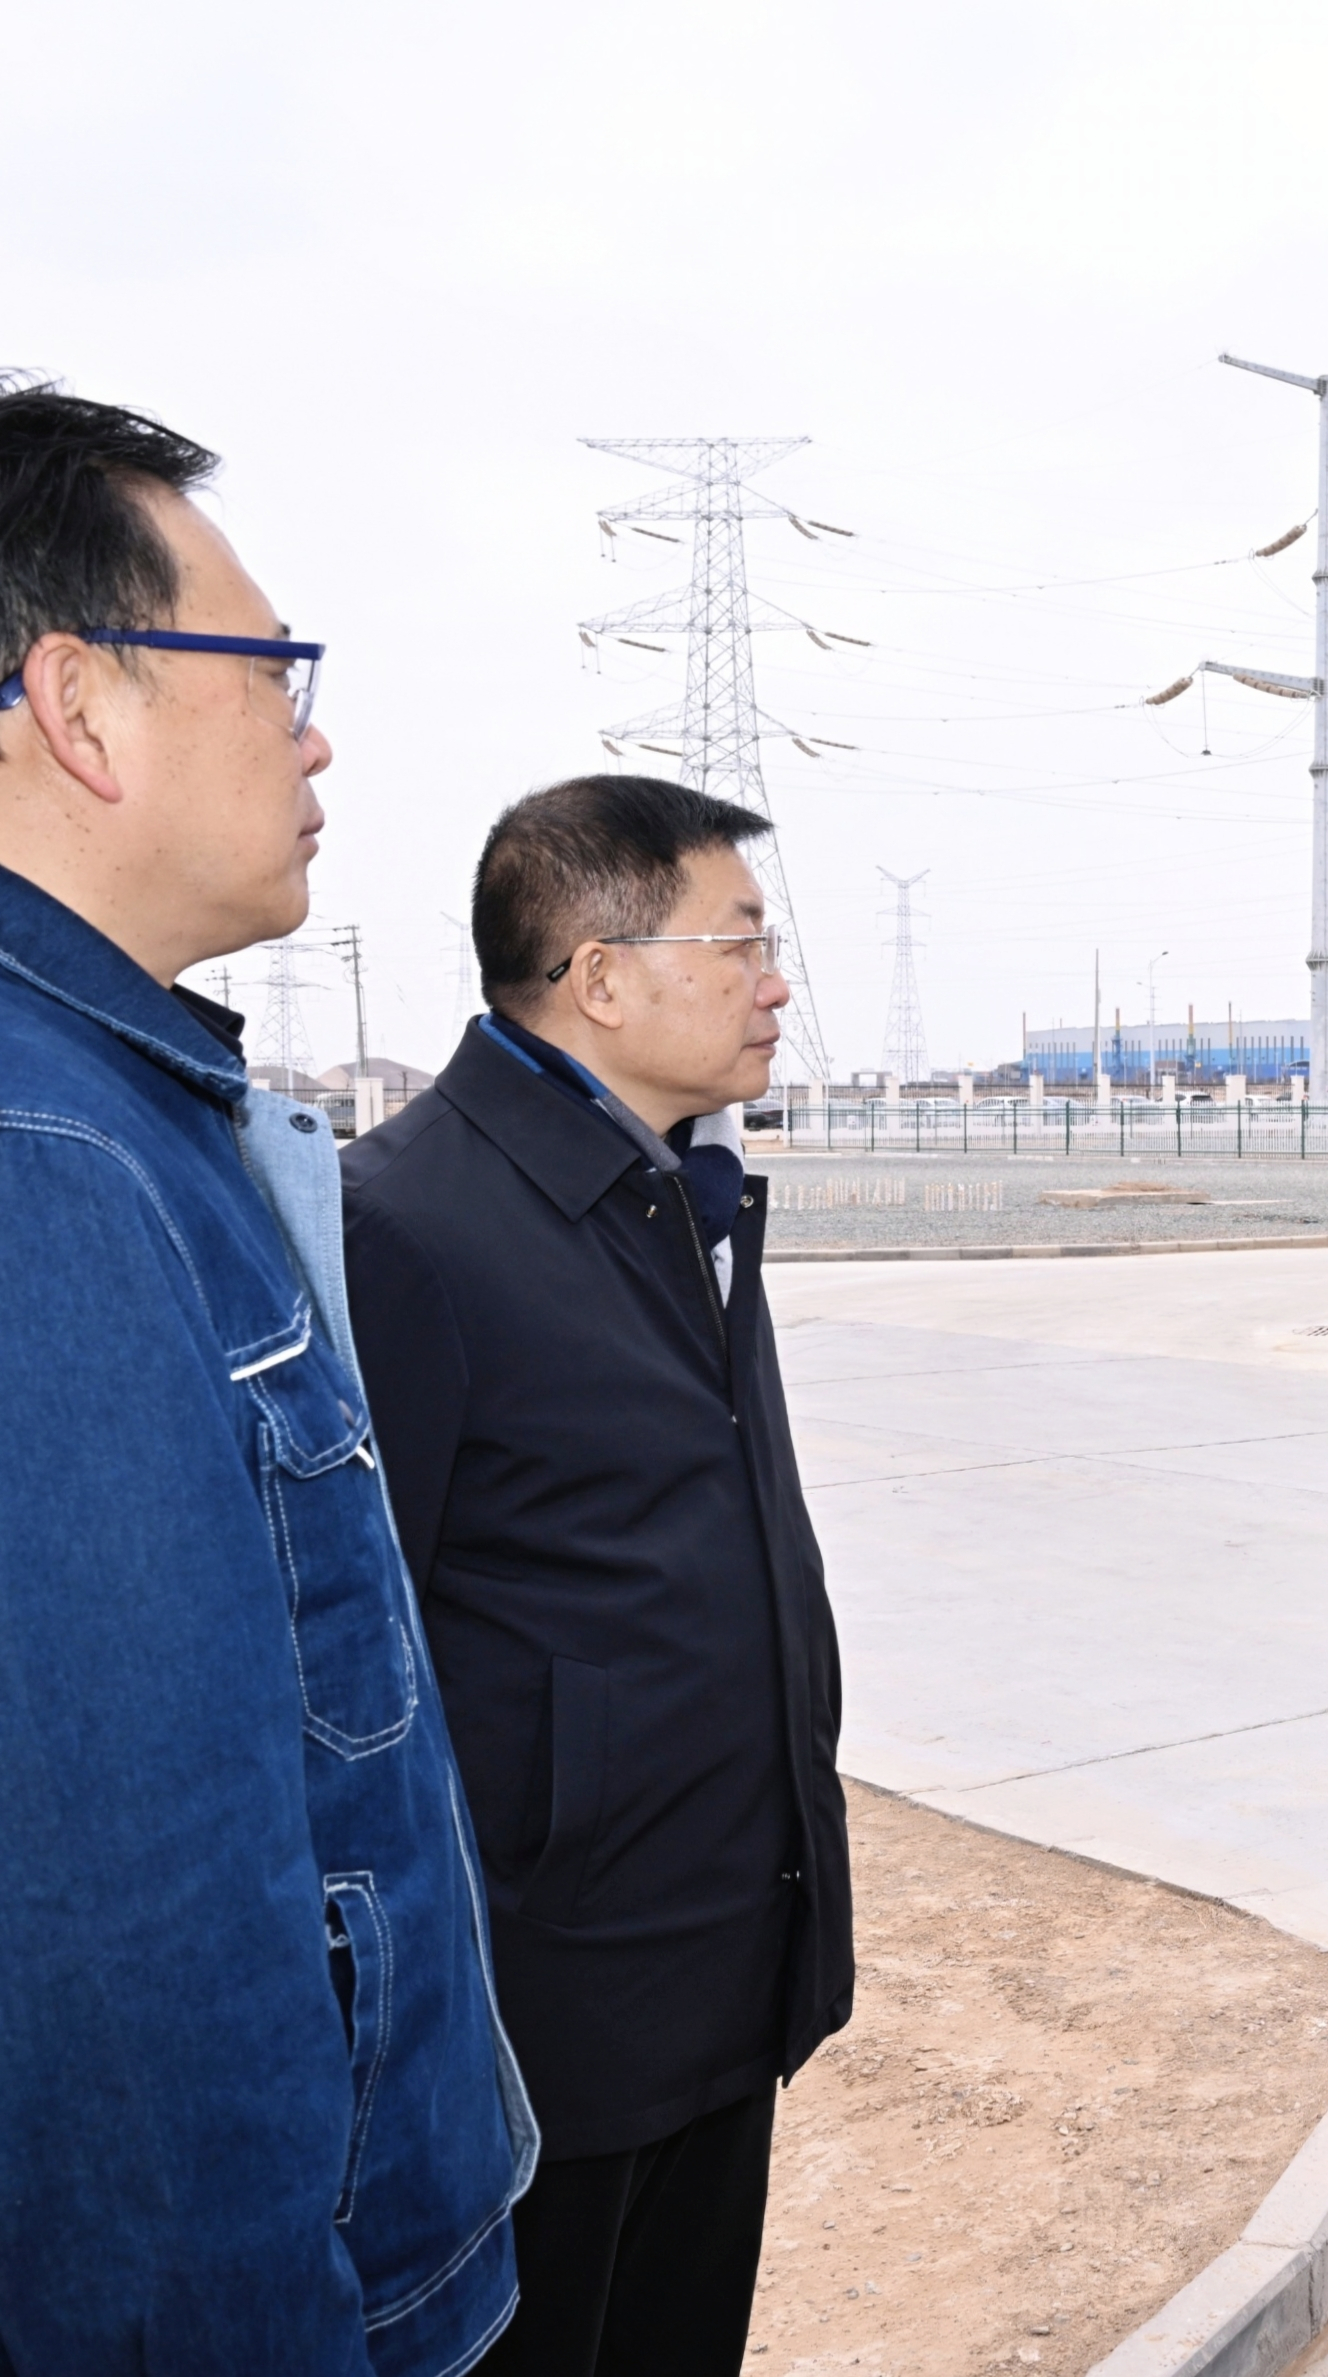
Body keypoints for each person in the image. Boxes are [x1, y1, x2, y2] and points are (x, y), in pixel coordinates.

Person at [0, 385, 533, 2369]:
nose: (314, 736)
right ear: (82, 704)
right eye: (270, 668)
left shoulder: (116, 1104)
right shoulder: (48, 1166)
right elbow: (135, 1985)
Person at [341, 776, 853, 2375]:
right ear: (602, 978)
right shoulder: (406, 1227)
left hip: (720, 1956)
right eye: (741, 943)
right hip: (549, 2014)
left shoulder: (674, 1184)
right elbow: (354, 1657)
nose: (776, 983)